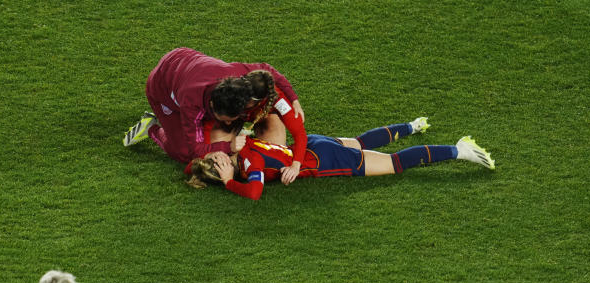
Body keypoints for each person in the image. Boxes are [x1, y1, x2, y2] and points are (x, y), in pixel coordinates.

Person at [186, 117, 496, 200]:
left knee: (393, 164)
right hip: (312, 145)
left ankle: (459, 149)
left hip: (323, 160)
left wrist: (227, 181)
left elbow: (254, 192)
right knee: (361, 142)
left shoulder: (248, 165)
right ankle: (413, 126)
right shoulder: (248, 145)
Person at [122, 47, 304, 164]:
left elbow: (267, 70)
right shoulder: (191, 104)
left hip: (187, 59)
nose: (227, 123)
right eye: (226, 120)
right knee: (184, 153)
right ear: (211, 107)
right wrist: (229, 147)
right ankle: (152, 128)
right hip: (161, 88)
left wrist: (293, 99)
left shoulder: (237, 76)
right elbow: (195, 149)